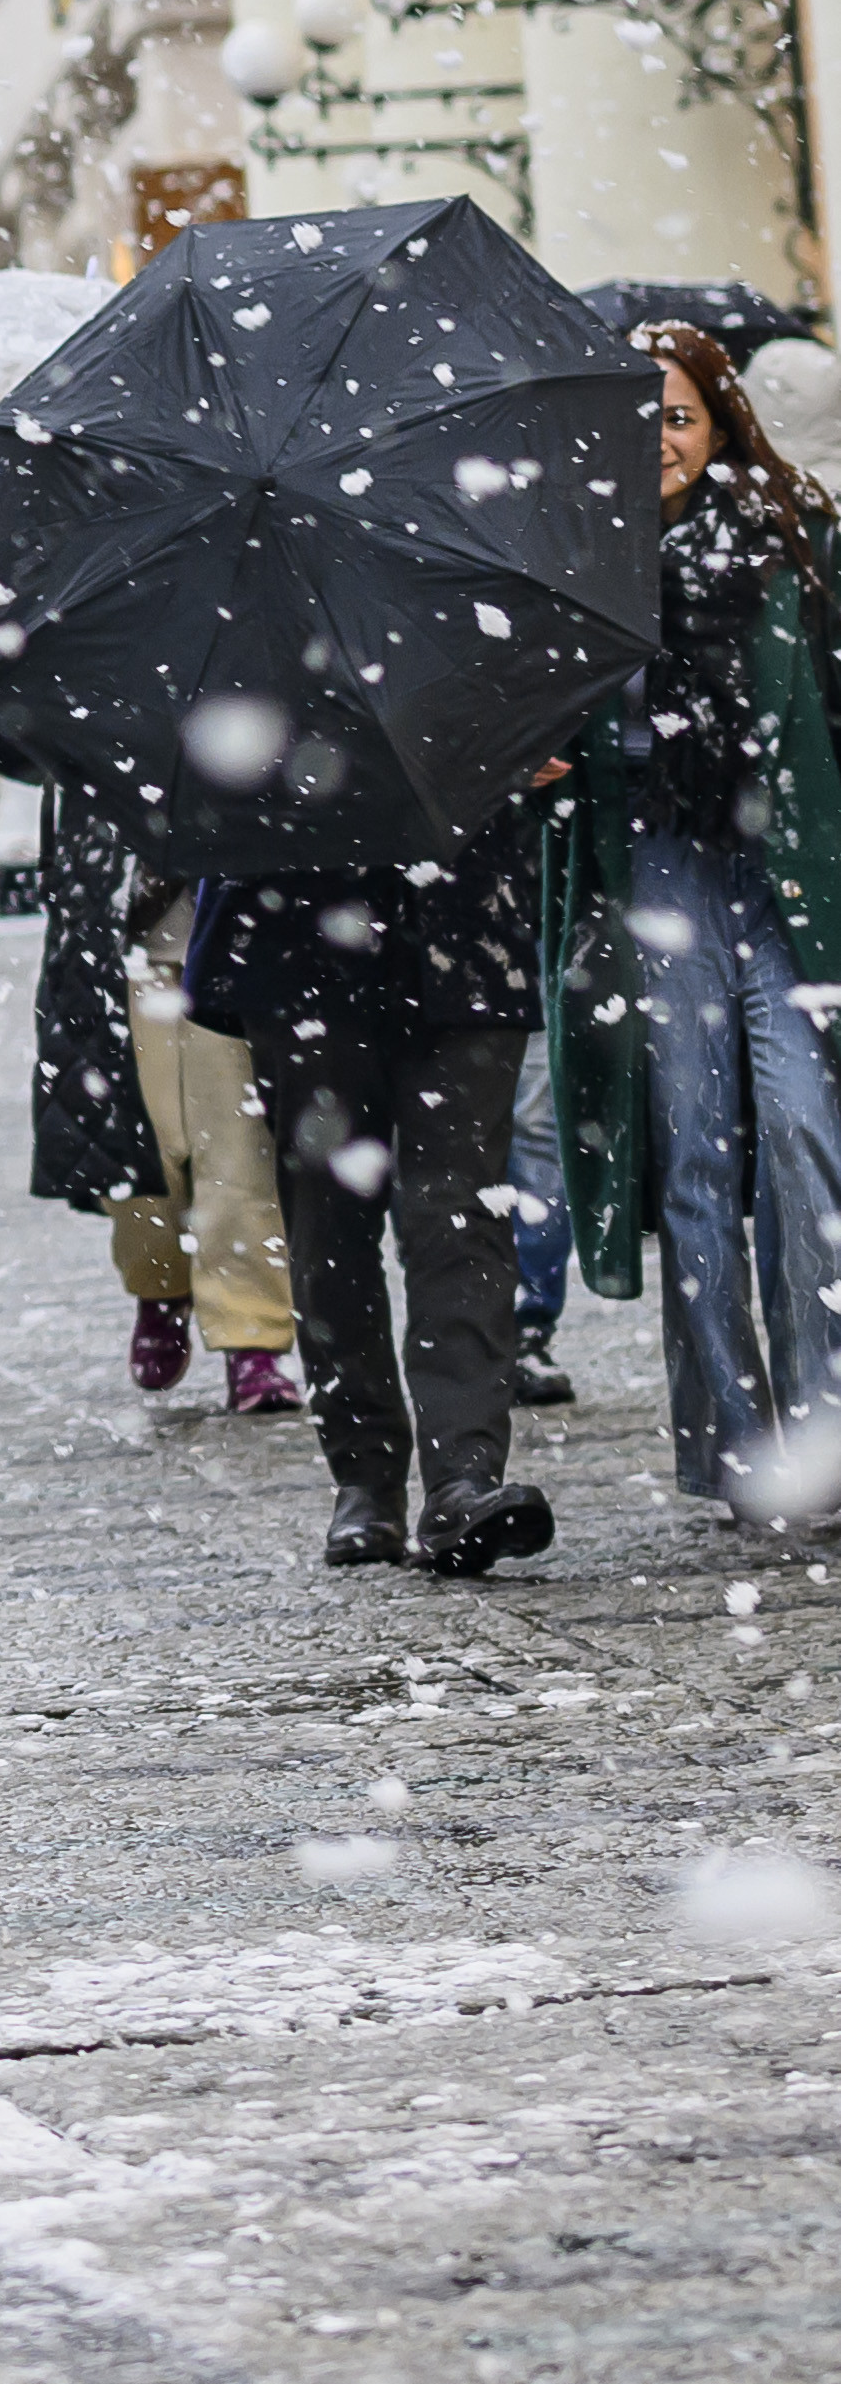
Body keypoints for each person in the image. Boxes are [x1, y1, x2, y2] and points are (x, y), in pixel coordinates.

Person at [547, 321, 841, 1516]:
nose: (654, 440)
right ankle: (728, 1444)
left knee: (806, 1143)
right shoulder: (574, 562)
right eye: (631, 419)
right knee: (692, 1158)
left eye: (673, 415)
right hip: (653, 873)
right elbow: (539, 728)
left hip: (788, 878)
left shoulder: (796, 547)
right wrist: (543, 766)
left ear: (717, 421)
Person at [199, 815, 548, 1572]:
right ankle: (364, 1469)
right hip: (298, 925)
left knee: (460, 1210)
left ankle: (464, 1472)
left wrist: (549, 748)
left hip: (465, 919)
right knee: (329, 1222)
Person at [33, 784, 304, 1413]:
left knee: (239, 1156)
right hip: (122, 945)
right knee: (143, 1151)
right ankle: (158, 1285)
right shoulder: (90, 694)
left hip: (235, 938)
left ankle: (252, 1339)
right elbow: (8, 745)